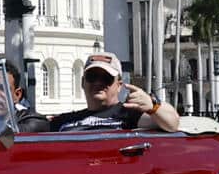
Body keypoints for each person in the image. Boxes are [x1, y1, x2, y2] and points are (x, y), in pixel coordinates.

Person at [48, 52, 180, 133]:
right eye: (92, 77)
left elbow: (172, 124)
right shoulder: (64, 121)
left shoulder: (128, 114)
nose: (98, 82)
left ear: (119, 85)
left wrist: (153, 106)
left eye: (106, 78)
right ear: (83, 82)